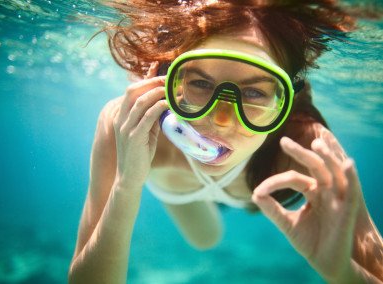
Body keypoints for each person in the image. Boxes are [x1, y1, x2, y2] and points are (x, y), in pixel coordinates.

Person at [68, 1, 383, 283]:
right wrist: (127, 185)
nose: (221, 120)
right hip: (178, 186)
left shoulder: (307, 145)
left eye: (254, 92)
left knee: (208, 236)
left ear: (286, 101)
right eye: (201, 83)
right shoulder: (128, 125)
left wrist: (344, 275)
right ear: (163, 81)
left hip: (251, 187)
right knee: (205, 238)